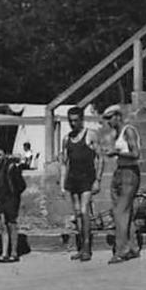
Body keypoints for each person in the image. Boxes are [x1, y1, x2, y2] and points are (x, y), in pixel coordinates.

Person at [103, 103, 143, 264]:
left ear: (118, 116)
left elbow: (136, 153)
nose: (108, 122)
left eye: (110, 118)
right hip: (119, 171)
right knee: (125, 212)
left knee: (120, 212)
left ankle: (121, 251)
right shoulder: (117, 134)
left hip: (129, 173)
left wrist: (117, 152)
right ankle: (132, 247)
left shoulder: (129, 131)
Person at [61, 106, 98, 262]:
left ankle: (87, 247)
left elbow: (99, 158)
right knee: (77, 213)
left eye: (76, 120)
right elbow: (64, 162)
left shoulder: (90, 135)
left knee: (84, 211)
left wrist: (98, 179)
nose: (73, 124)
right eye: (70, 121)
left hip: (87, 177)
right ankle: (81, 247)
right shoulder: (67, 139)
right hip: (73, 178)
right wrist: (62, 184)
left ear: (81, 120)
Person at [0, 144, 26, 264]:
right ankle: (4, 253)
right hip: (1, 199)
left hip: (11, 199)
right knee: (2, 226)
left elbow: (21, 185)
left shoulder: (12, 167)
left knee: (12, 224)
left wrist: (14, 195)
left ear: (5, 155)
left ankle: (14, 253)